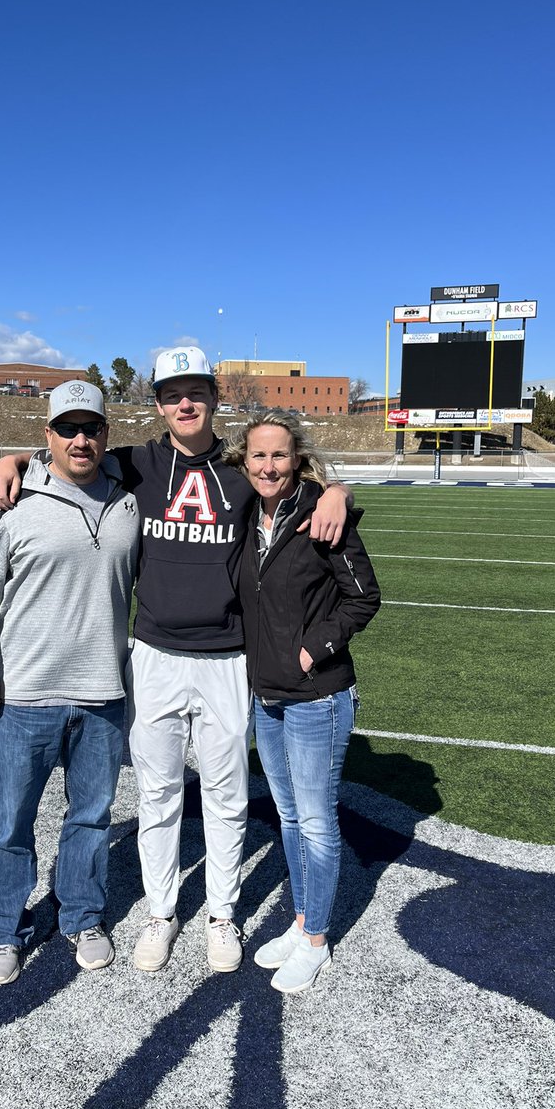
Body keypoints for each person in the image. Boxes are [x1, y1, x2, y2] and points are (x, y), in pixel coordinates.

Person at [0, 349, 352, 974]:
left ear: (213, 397)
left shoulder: (241, 470)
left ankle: (222, 915)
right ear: (157, 404)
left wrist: (336, 490)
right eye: (173, 394)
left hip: (227, 659)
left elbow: (296, 478)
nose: (186, 404)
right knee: (155, 794)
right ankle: (160, 911)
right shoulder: (137, 464)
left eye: (197, 392)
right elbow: (67, 458)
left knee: (227, 796)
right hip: (152, 655)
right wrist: (11, 458)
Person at [0, 381, 140, 984]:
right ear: (47, 435)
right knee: (10, 821)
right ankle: (4, 928)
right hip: (26, 696)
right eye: (68, 429)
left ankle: (83, 915)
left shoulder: (129, 500)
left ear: (107, 433)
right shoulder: (13, 501)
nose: (80, 439)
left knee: (92, 816)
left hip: (104, 694)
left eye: (92, 428)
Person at [223, 411, 380, 993]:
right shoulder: (246, 512)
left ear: (296, 459)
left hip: (319, 696)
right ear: (245, 461)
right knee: (288, 817)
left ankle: (317, 942)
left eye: (279, 456)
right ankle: (302, 920)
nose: (268, 467)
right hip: (268, 696)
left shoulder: (320, 512)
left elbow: (364, 598)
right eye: (257, 456)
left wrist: (314, 649)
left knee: (315, 821)